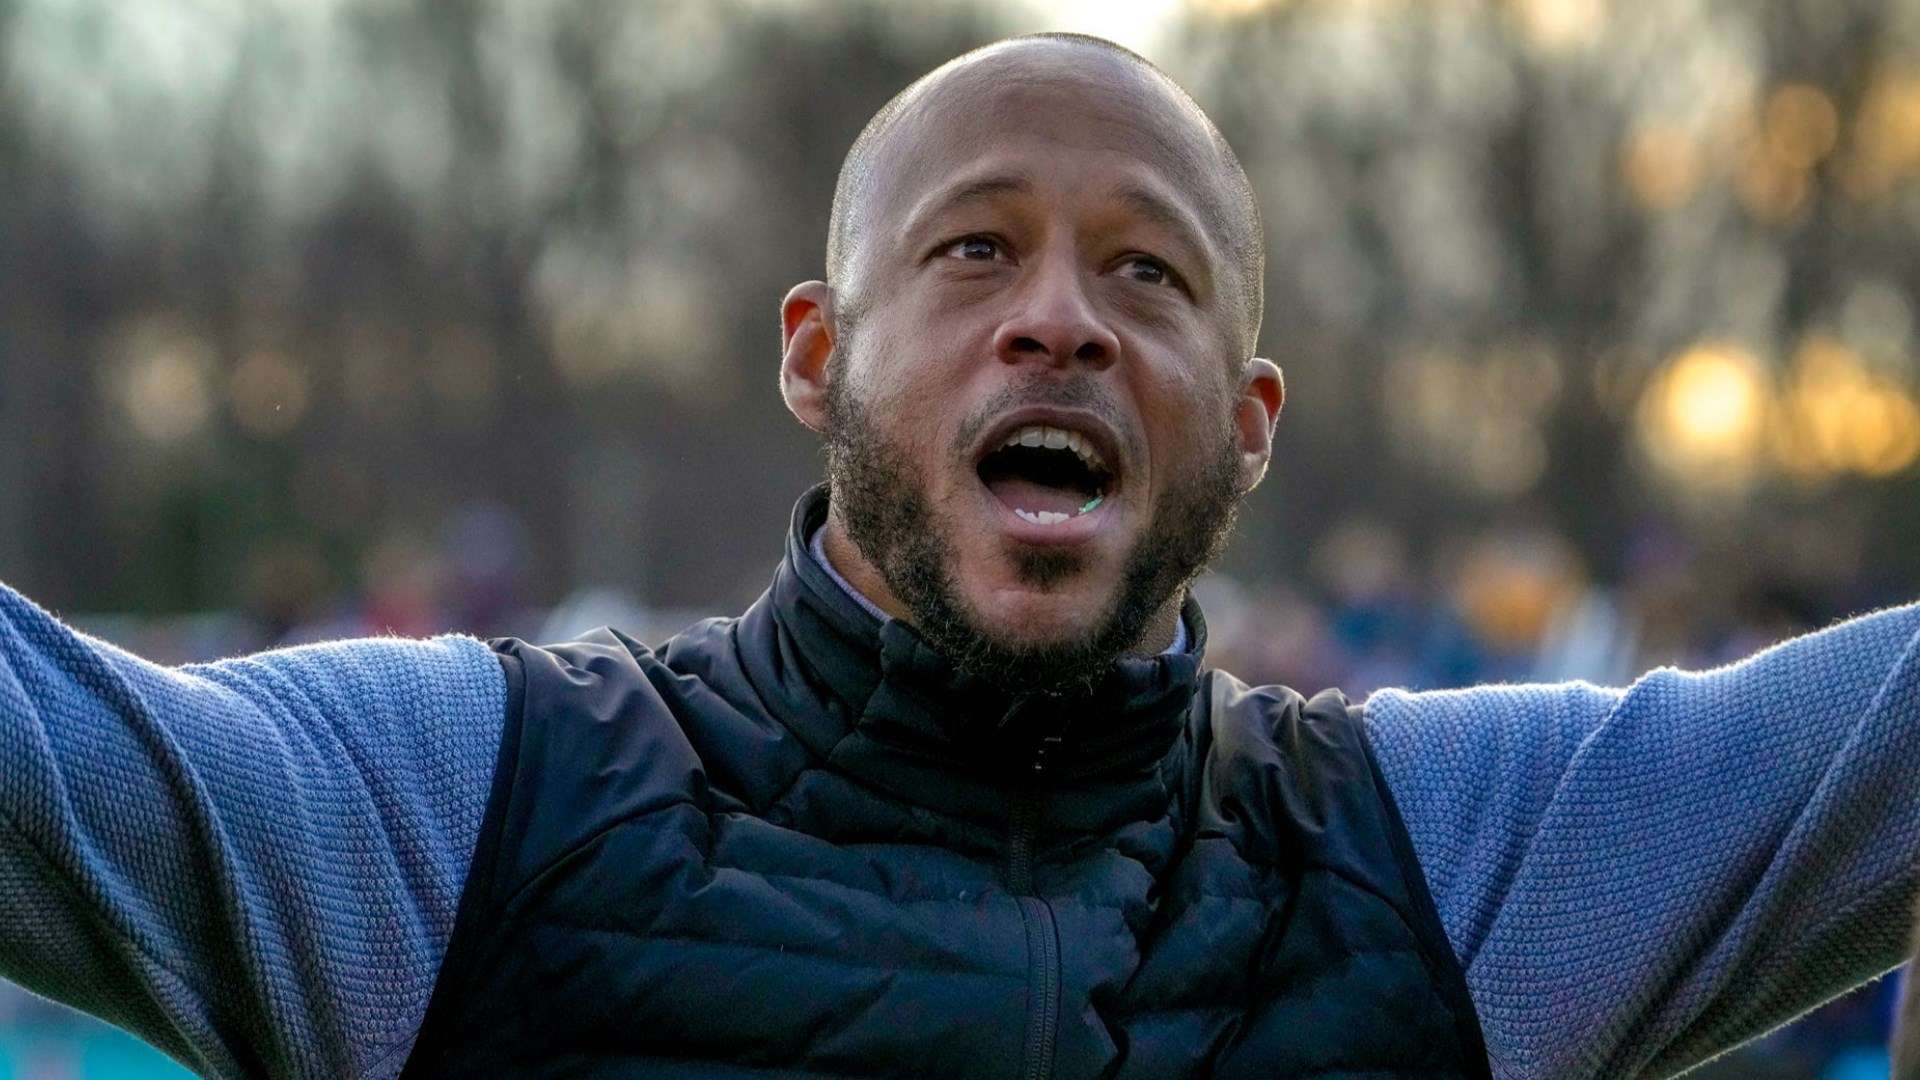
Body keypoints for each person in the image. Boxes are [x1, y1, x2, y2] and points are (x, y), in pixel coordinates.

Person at [3, 32, 1918, 1080]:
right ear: (817, 355)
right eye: (976, 249)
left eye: (1146, 272)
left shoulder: (1463, 867)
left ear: (1250, 422)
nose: (1063, 321)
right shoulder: (455, 813)